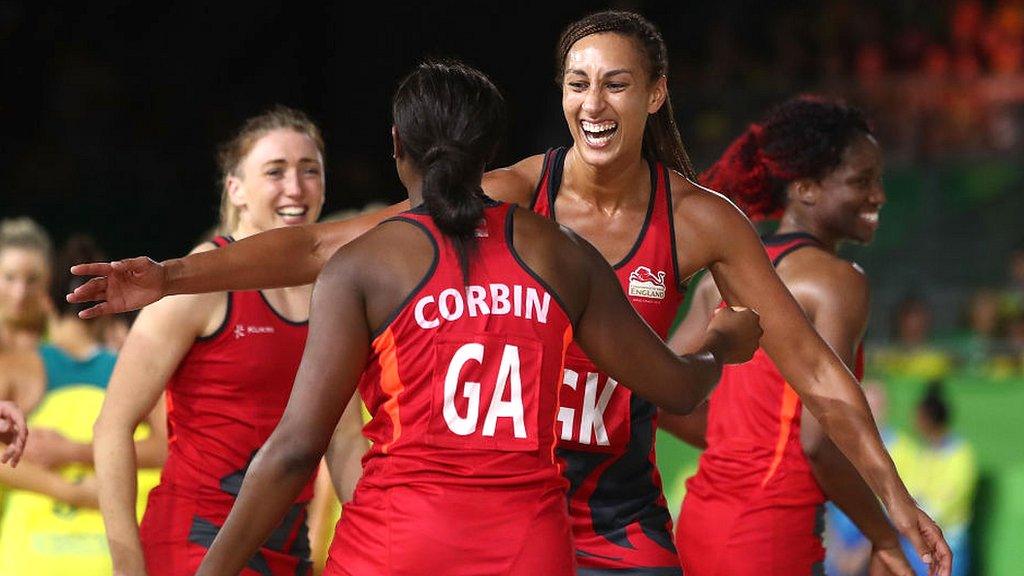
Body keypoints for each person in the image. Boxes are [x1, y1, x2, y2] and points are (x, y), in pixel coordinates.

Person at [69, 11, 950, 575]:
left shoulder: (700, 219)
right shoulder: (515, 193)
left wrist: (898, 500)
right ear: (560, 97)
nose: (593, 102)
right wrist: (174, 274)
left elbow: (818, 371)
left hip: (609, 503)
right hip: (505, 502)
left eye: (615, 82)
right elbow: (324, 243)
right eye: (576, 82)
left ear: (656, 92)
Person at [192, 58, 761, 576]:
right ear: (490, 150)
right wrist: (720, 347)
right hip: (527, 551)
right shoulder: (562, 255)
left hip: (395, 549)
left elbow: (294, 450)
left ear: (398, 145)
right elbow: (679, 389)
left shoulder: (363, 265)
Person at [91, 106, 366, 576]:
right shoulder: (199, 279)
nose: (295, 189)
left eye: (309, 171)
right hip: (194, 544)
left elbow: (343, 439)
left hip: (287, 553)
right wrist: (127, 564)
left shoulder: (336, 287)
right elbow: (112, 426)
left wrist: (377, 545)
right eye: (275, 172)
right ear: (236, 189)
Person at [660, 97, 916, 576]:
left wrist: (734, 445)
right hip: (771, 533)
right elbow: (821, 443)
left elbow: (658, 394)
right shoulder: (837, 281)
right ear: (807, 189)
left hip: (701, 522)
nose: (879, 196)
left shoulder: (722, 276)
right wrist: (885, 539)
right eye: (862, 181)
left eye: (878, 180)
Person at [0, 236, 151, 576]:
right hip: (116, 552)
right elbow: (170, 448)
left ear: (46, 304)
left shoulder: (15, 369)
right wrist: (83, 454)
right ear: (108, 308)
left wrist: (67, 486)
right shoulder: (137, 370)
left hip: (28, 557)